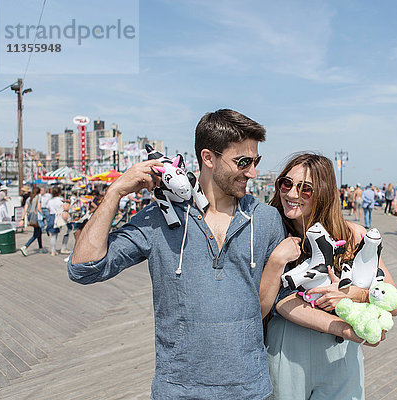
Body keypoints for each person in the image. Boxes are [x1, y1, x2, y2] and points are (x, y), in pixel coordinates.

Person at [68, 109, 285, 399]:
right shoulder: (159, 218)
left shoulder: (267, 219)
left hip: (251, 389)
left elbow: (283, 299)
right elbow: (84, 268)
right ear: (208, 158)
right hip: (179, 390)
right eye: (243, 162)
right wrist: (116, 191)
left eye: (256, 161)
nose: (252, 172)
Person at [264, 153, 397, 400]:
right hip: (288, 345)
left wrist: (353, 294)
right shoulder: (273, 234)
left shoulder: (353, 235)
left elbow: (393, 299)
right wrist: (345, 328)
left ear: (324, 193)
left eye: (306, 189)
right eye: (286, 183)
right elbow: (280, 301)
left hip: (341, 353)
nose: (292, 194)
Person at [20, 186, 48, 256]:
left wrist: (22, 219)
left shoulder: (29, 199)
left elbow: (25, 209)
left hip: (31, 217)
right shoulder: (38, 197)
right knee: (36, 234)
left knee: (39, 232)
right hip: (37, 217)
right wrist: (43, 215)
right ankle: (25, 246)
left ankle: (40, 247)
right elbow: (39, 208)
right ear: (38, 192)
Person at [46, 187, 65, 256]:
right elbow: (62, 208)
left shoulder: (50, 200)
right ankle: (53, 251)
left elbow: (48, 208)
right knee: (55, 235)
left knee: (52, 235)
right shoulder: (60, 200)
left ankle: (52, 250)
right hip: (57, 216)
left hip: (51, 216)